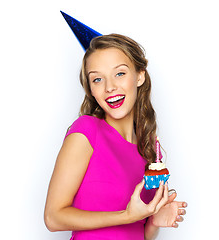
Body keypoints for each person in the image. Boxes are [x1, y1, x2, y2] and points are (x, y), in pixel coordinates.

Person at [44, 34, 187, 240]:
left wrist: (154, 221)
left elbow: (138, 233)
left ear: (140, 76)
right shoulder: (86, 131)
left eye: (119, 73)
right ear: (91, 89)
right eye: (97, 79)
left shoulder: (149, 148)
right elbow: (53, 217)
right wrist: (127, 216)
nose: (109, 87)